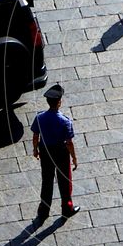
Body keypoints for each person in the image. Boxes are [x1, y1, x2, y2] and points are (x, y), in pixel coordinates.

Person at [31, 84, 80, 220]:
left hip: (45, 152)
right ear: (59, 102)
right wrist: (74, 158)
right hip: (61, 153)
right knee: (64, 182)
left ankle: (43, 210)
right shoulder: (65, 121)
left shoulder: (39, 117)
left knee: (46, 181)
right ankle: (67, 208)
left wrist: (35, 149)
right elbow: (69, 142)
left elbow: (36, 136)